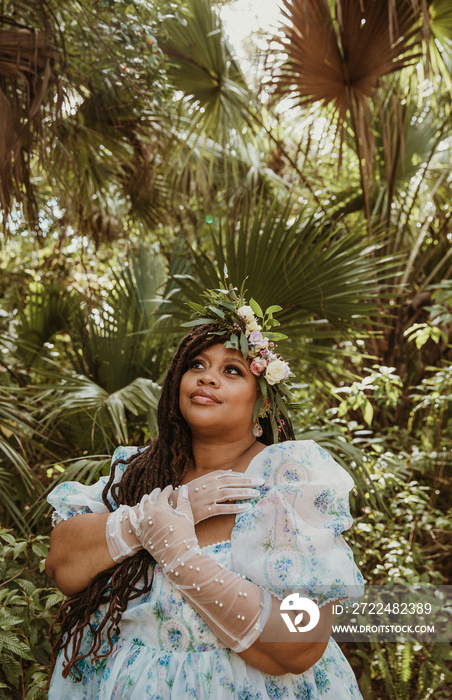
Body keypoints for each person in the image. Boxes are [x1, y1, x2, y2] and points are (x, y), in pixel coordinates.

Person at [45, 286, 364, 699]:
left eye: (233, 370)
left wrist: (180, 556)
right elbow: (60, 566)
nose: (207, 376)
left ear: (262, 403)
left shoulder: (289, 480)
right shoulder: (140, 472)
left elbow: (298, 645)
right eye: (197, 364)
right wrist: (149, 518)